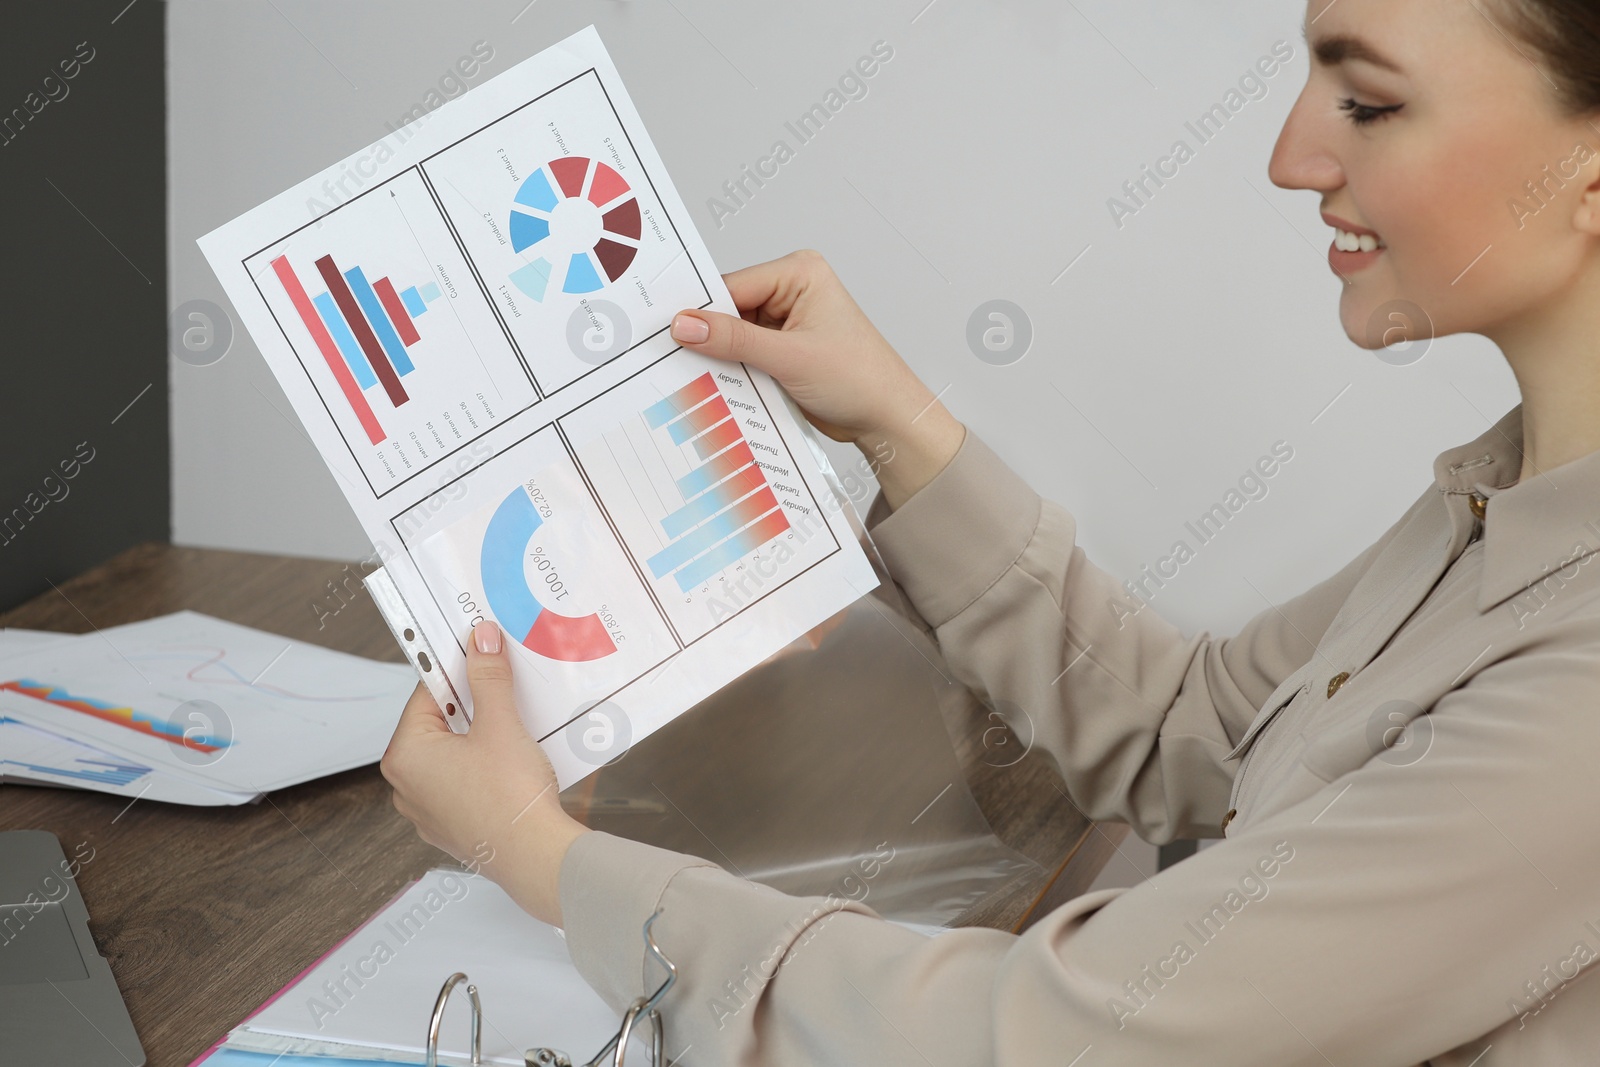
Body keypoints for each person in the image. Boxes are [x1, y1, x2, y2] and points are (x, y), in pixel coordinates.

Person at [381, 0, 1600, 1061]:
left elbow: (1041, 1039)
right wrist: (897, 425)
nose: (1290, 156)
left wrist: (538, 856)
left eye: (1368, 102)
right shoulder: (1505, 502)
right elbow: (1200, 728)